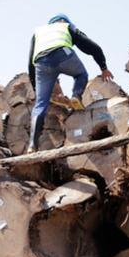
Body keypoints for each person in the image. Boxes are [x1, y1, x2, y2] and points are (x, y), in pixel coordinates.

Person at [26, 13, 114, 153]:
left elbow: (30, 63)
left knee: (40, 104)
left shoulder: (38, 32)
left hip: (41, 63)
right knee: (81, 74)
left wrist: (35, 87)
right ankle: (76, 96)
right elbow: (92, 47)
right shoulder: (66, 26)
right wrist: (103, 67)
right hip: (62, 53)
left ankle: (32, 145)